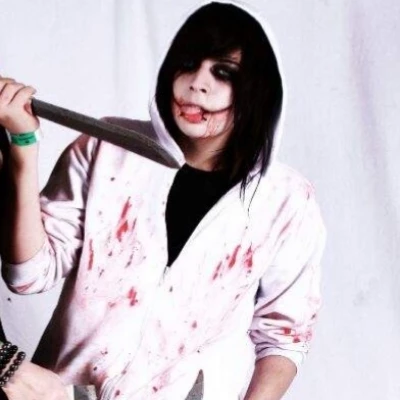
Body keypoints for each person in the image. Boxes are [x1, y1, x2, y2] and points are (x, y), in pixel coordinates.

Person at [0, 2, 326, 399]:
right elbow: (27, 274)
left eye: (224, 72)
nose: (197, 83)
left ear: (258, 88)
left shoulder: (287, 200)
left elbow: (284, 337)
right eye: (188, 64)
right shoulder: (104, 148)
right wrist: (22, 146)